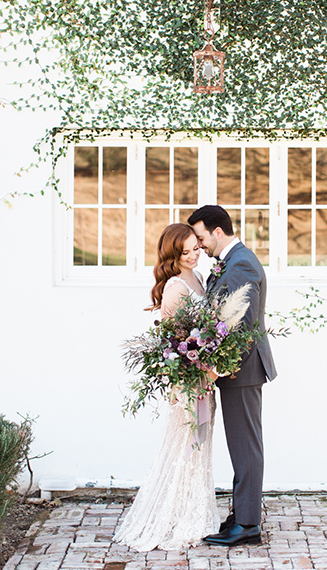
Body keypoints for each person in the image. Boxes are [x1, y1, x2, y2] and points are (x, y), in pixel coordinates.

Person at [114, 223, 219, 551]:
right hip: (189, 382)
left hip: (205, 380)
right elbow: (172, 344)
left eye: (195, 248)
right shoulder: (176, 286)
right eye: (184, 252)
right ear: (173, 254)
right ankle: (174, 518)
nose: (192, 256)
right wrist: (203, 366)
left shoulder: (199, 279)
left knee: (200, 445)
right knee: (186, 446)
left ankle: (194, 513)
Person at [188, 205, 277, 547]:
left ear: (217, 231)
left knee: (246, 447)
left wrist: (217, 366)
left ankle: (249, 525)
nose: (199, 246)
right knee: (242, 445)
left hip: (241, 369)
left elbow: (237, 324)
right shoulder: (234, 259)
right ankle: (241, 515)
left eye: (200, 238)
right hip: (237, 370)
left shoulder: (240, 263)